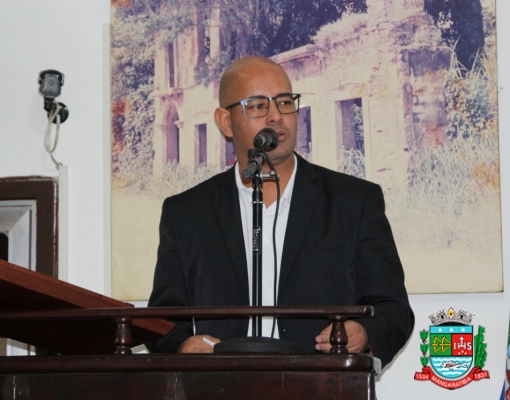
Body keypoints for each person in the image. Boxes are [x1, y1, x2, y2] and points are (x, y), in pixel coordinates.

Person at [147, 55, 414, 368]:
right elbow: (163, 319)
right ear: (225, 121)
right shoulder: (186, 213)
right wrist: (181, 344)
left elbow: (392, 309)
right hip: (220, 382)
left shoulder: (353, 201)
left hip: (321, 382)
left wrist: (364, 333)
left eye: (285, 102)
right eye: (258, 106)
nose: (276, 116)